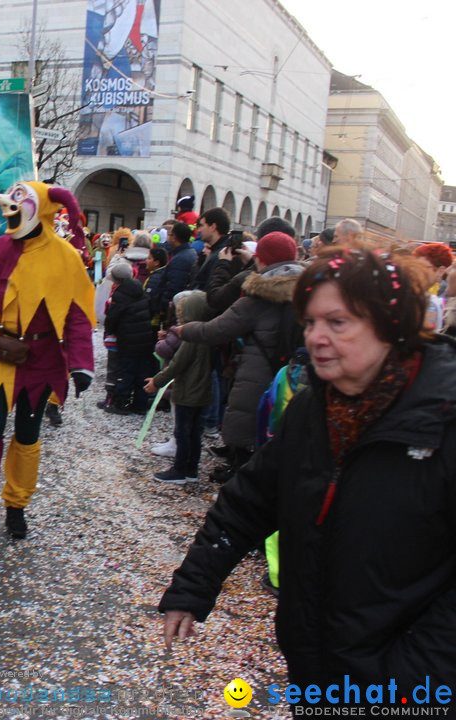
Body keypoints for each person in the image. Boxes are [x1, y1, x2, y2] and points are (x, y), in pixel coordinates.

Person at [160, 246, 456, 700]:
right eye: (312, 321)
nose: (316, 336)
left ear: (389, 327)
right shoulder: (313, 409)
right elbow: (250, 502)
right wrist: (193, 587)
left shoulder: (442, 420)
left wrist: (412, 678)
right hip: (314, 664)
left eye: (337, 322)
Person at [0, 181, 95, 540]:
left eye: (20, 203)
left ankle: (16, 506)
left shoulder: (65, 256)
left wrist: (81, 362)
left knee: (28, 435)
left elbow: (78, 314)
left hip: (41, 358)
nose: (10, 211)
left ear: (41, 210)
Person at [174, 232, 304, 482]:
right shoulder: (309, 289)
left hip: (257, 370)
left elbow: (217, 329)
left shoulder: (260, 294)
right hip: (293, 372)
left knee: (248, 420)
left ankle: (243, 477)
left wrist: (184, 329)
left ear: (261, 259)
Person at [144, 291, 211, 483]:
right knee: (195, 433)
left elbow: (177, 365)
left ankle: (179, 470)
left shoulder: (191, 336)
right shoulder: (208, 333)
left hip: (187, 392)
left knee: (183, 432)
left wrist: (156, 382)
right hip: (203, 392)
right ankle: (191, 470)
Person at [103, 261, 154, 413]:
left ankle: (121, 403)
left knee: (126, 371)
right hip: (145, 338)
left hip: (128, 339)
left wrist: (110, 330)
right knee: (142, 372)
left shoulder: (120, 294)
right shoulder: (140, 288)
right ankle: (141, 404)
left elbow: (112, 318)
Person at [153, 222, 197, 326]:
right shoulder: (189, 252)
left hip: (173, 311)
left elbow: (174, 287)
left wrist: (163, 308)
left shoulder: (180, 259)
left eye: (170, 234)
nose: (168, 237)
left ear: (174, 237)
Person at [189, 207, 232, 292]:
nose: (198, 230)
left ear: (213, 227)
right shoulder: (215, 251)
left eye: (201, 225)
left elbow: (208, 287)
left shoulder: (222, 254)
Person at [411, 243, 452, 331]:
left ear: (440, 271)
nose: (414, 271)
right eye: (413, 266)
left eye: (421, 267)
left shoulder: (433, 303)